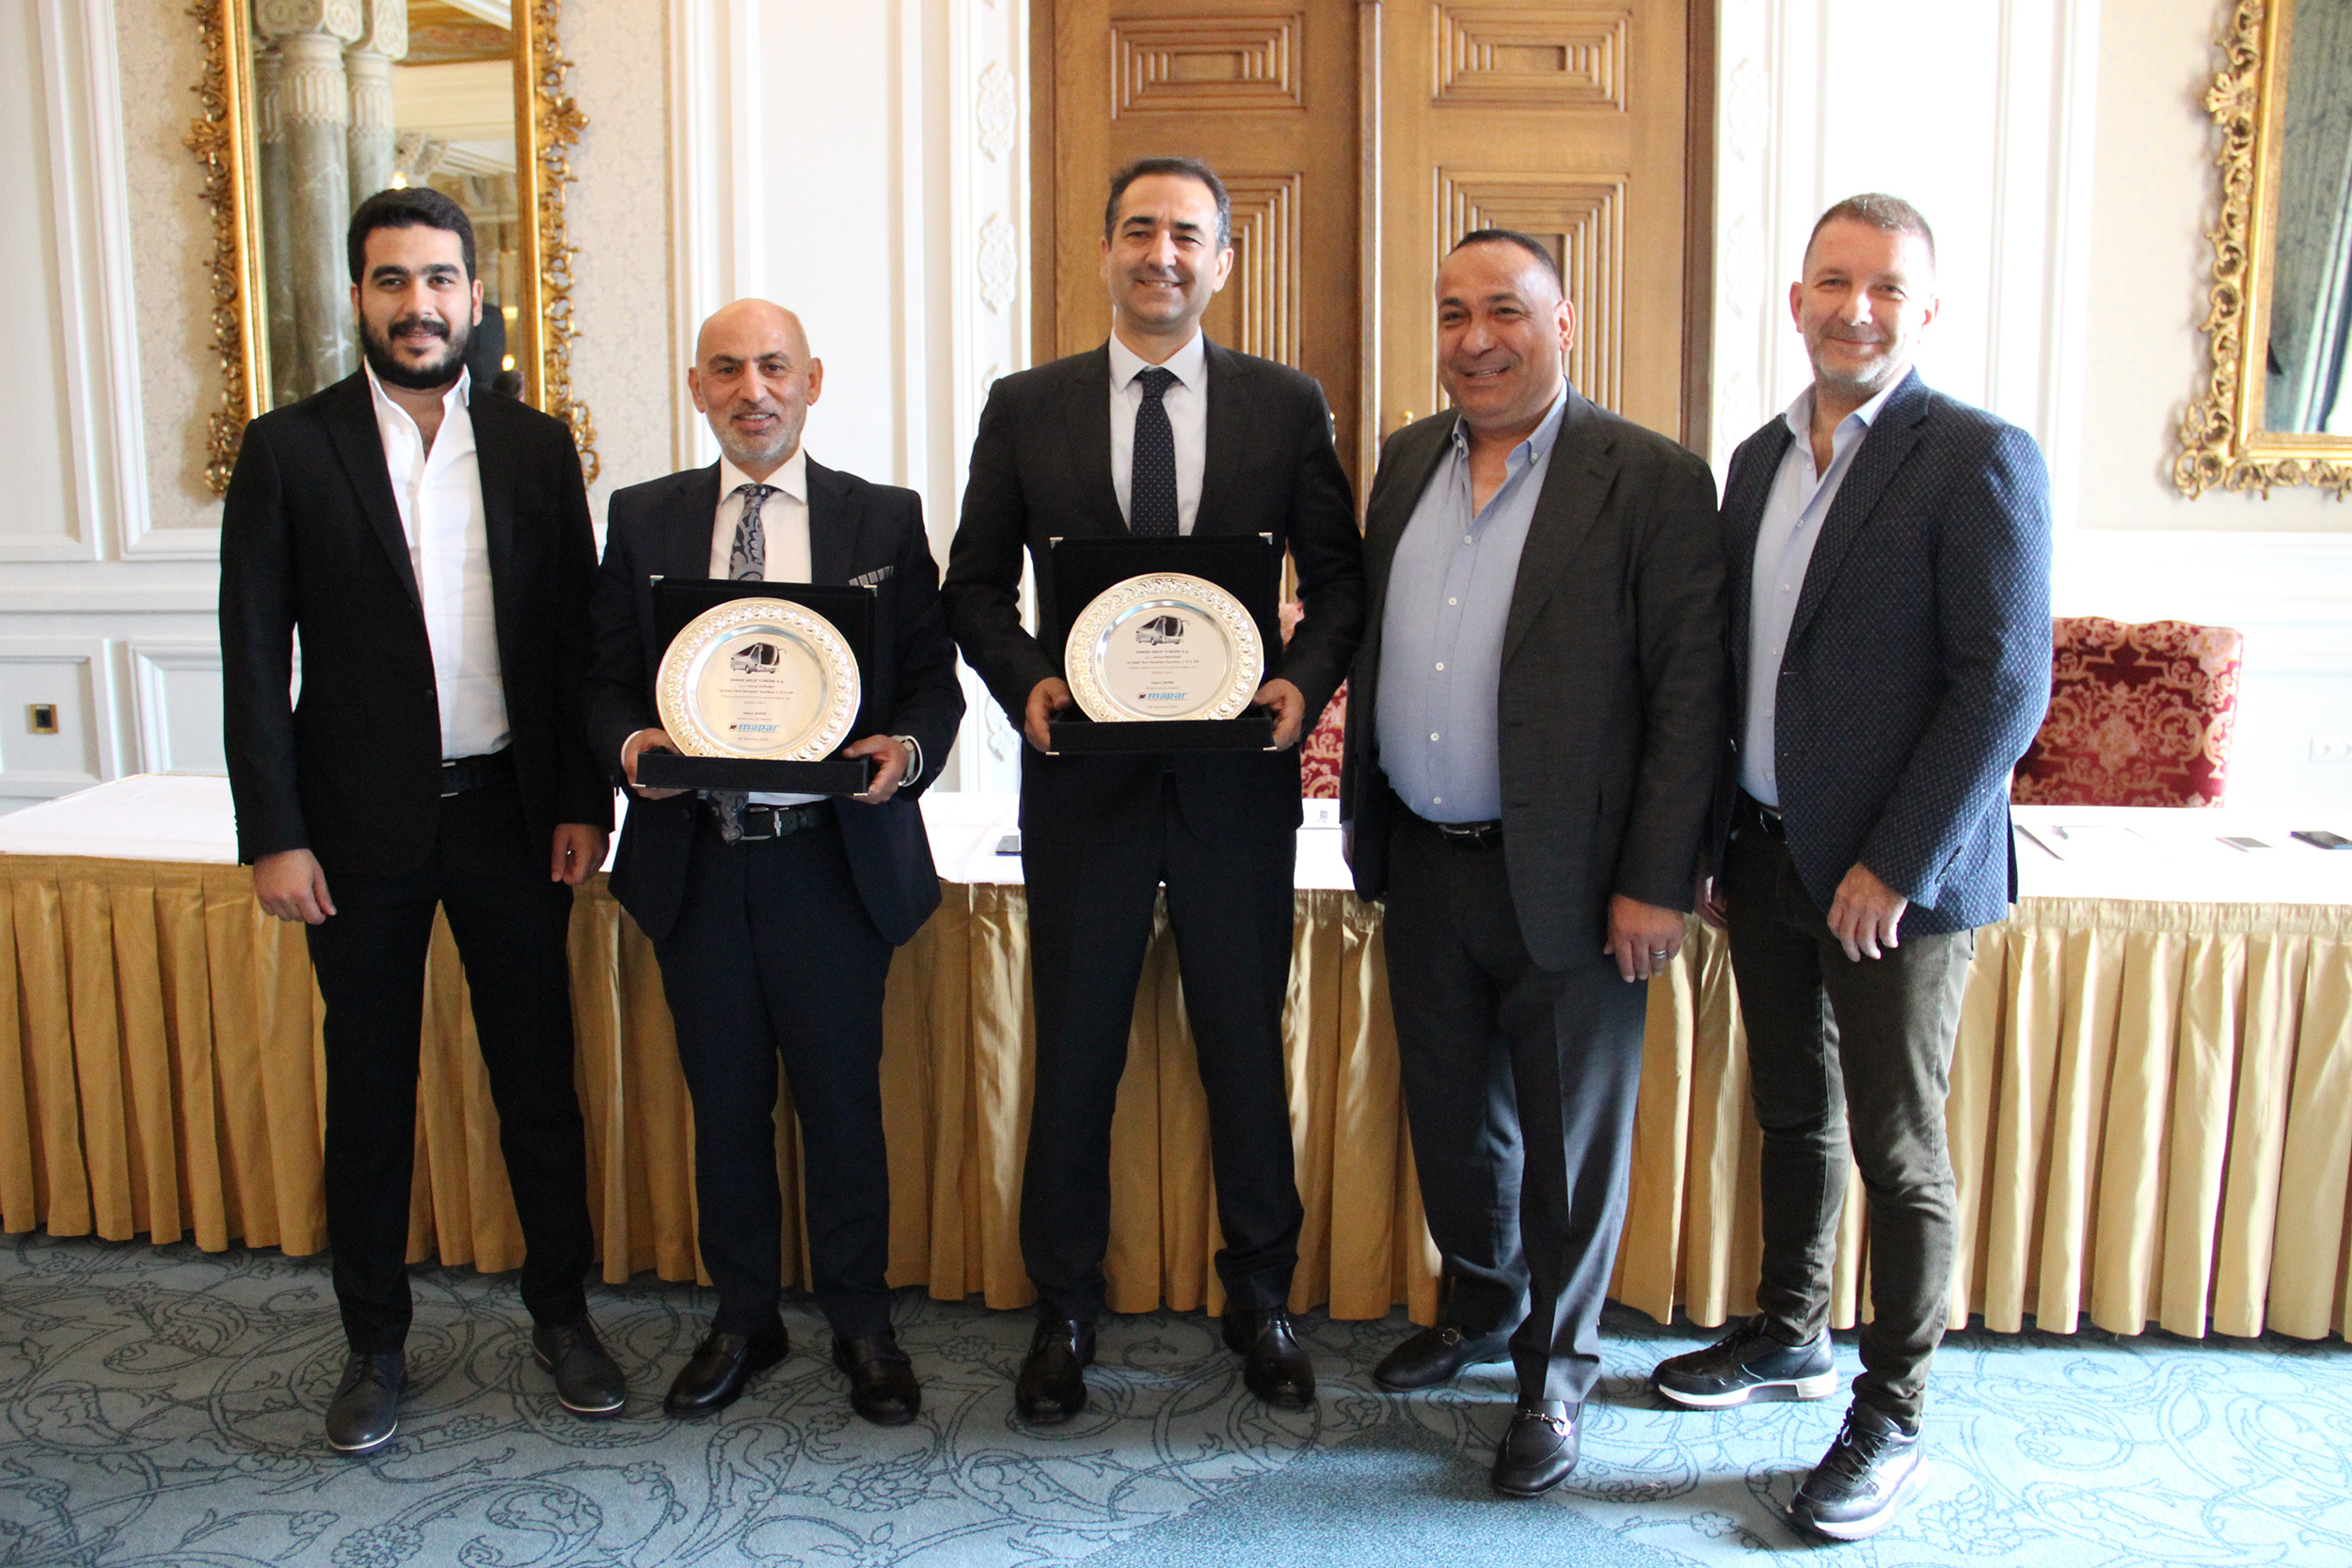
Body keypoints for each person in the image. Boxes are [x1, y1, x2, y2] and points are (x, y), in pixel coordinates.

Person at [1647, 194, 2052, 1542]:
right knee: (1791, 1112)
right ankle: (1791, 1329)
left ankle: (1895, 1411)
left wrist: (1894, 860)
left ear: (1925, 309)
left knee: (1898, 1145)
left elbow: (2005, 685)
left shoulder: (1977, 455)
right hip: (1764, 856)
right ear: (1797, 299)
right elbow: (1732, 669)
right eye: (1833, 281)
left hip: (1899, 882)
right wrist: (1712, 836)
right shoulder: (1758, 459)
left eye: (1885, 287)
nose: (1855, 309)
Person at [941, 157, 1364, 1421]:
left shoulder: (1286, 405)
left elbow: (1340, 581)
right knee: (1076, 1052)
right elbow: (972, 585)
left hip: (1238, 788)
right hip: (1086, 787)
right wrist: (1026, 680)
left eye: (1186, 234)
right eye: (1138, 229)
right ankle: (1065, 1303)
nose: (1160, 253)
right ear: (1105, 250)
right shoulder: (1028, 406)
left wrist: (1301, 682)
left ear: (1222, 261)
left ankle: (1261, 1294)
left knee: (1244, 1048)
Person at [220, 186, 620, 1455]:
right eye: (392, 280)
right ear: (357, 296)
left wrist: (581, 800)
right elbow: (252, 657)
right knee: (369, 1095)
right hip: (352, 836)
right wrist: (274, 832)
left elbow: (574, 642)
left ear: (474, 295)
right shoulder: (289, 449)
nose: (418, 303)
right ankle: (374, 1344)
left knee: (537, 1085)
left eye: (439, 278)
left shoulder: (536, 447)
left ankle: (562, 1315)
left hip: (510, 816)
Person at [1339, 230, 1724, 1496]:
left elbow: (1689, 696)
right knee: (1455, 1123)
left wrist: (1657, 877)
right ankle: (1481, 1303)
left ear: (1563, 323)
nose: (1475, 339)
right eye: (1452, 313)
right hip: (1422, 856)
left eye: (1505, 310)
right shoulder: (1406, 461)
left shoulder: (1652, 478)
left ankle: (1554, 1375)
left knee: (1567, 1148)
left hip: (1578, 876)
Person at [584, 300, 964, 1426]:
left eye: (773, 367)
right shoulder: (643, 517)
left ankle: (862, 1322)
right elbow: (603, 675)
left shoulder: (882, 517)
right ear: (698, 388)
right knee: (726, 1106)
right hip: (700, 862)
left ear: (812, 380)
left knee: (844, 1108)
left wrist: (906, 750)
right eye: (727, 369)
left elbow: (931, 682)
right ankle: (743, 1316)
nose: (752, 389)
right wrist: (630, 747)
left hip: (829, 864)